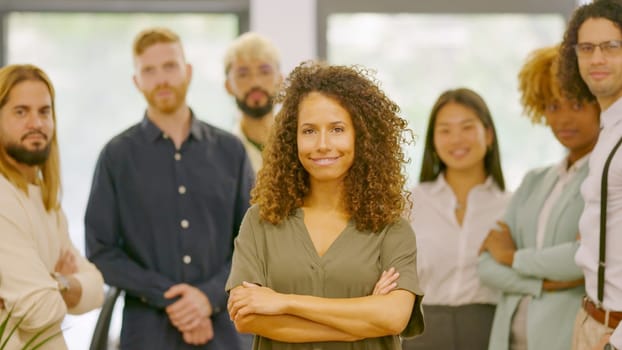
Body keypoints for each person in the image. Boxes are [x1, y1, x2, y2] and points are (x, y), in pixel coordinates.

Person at [225, 61, 424, 349]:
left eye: (337, 129)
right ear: (291, 138)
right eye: (308, 131)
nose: (322, 144)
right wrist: (360, 323)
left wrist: (283, 301)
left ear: (362, 135)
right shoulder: (261, 221)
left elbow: (394, 317)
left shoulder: (391, 228)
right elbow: (247, 318)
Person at [85, 27, 254, 349]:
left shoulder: (231, 151)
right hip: (146, 334)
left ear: (187, 71)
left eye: (170, 66)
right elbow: (101, 251)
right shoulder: (116, 157)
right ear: (136, 81)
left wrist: (208, 297)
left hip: (228, 331)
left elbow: (253, 243)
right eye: (149, 70)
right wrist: (171, 297)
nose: (161, 79)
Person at [478, 45, 600, 350]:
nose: (563, 119)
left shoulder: (607, 179)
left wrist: (512, 257)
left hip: (566, 339)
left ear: (601, 104)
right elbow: (485, 264)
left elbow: (581, 260)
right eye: (552, 106)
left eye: (576, 104)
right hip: (506, 339)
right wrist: (543, 283)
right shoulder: (535, 181)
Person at [0, 64, 104, 349]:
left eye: (44, 111)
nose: (36, 123)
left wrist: (53, 281)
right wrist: (66, 285)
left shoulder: (48, 204)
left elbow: (97, 291)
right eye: (21, 112)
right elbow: (39, 310)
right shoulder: (3, 197)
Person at [402, 88, 509, 350]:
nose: (456, 139)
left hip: (488, 334)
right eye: (445, 130)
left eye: (467, 127)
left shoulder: (511, 206)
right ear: (433, 141)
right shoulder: (408, 203)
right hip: (419, 335)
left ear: (489, 134)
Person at [558, 1, 622, 349]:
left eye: (612, 46)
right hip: (591, 322)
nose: (597, 58)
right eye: (587, 47)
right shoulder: (608, 128)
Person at [224, 32, 283, 173]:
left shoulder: (301, 144)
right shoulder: (221, 153)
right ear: (228, 86)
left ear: (280, 80)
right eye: (243, 74)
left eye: (264, 72)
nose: (255, 82)